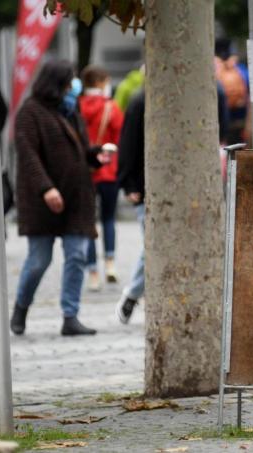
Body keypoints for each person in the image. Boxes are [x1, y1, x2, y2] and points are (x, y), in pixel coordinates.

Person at [10, 60, 111, 336]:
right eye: (69, 81)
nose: (73, 86)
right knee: (39, 260)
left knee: (77, 256)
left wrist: (95, 155)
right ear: (56, 83)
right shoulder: (30, 112)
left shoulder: (70, 110)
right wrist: (46, 188)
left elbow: (81, 149)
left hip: (76, 198)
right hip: (43, 201)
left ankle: (70, 316)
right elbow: (28, 155)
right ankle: (21, 307)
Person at [79, 65, 125, 290]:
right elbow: (119, 138)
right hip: (108, 171)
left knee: (88, 222)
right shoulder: (111, 107)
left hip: (84, 171)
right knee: (108, 218)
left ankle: (93, 273)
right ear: (99, 82)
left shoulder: (76, 107)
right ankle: (110, 264)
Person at [115, 89, 145, 323]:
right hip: (145, 188)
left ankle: (133, 296)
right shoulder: (140, 102)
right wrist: (129, 183)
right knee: (153, 249)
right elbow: (128, 143)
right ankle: (132, 296)